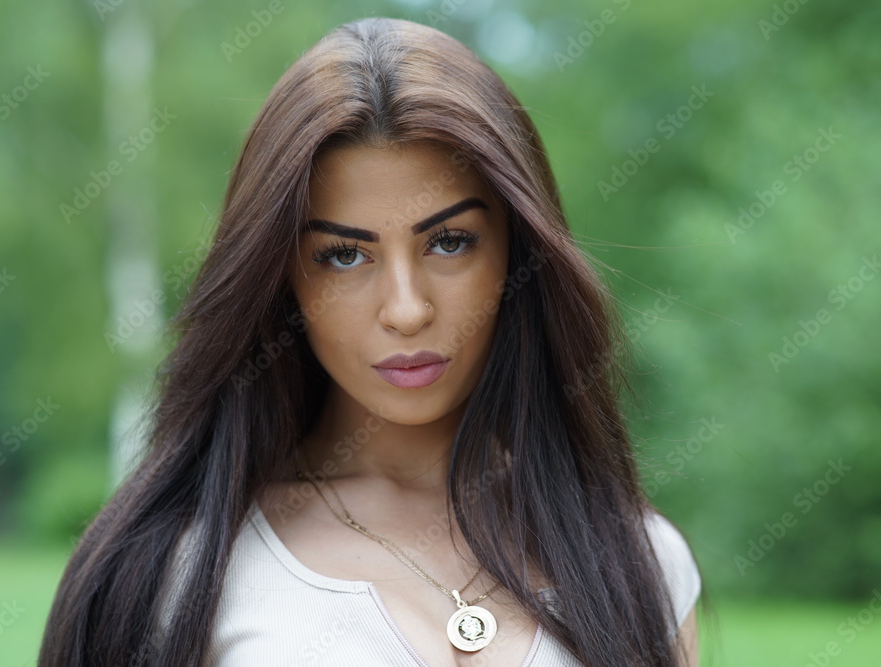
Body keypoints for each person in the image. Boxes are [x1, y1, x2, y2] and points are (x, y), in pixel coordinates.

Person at [38, 16, 702, 667]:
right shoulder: (170, 574)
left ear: (515, 255)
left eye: (450, 242)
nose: (408, 310)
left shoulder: (636, 560)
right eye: (343, 256)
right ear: (280, 278)